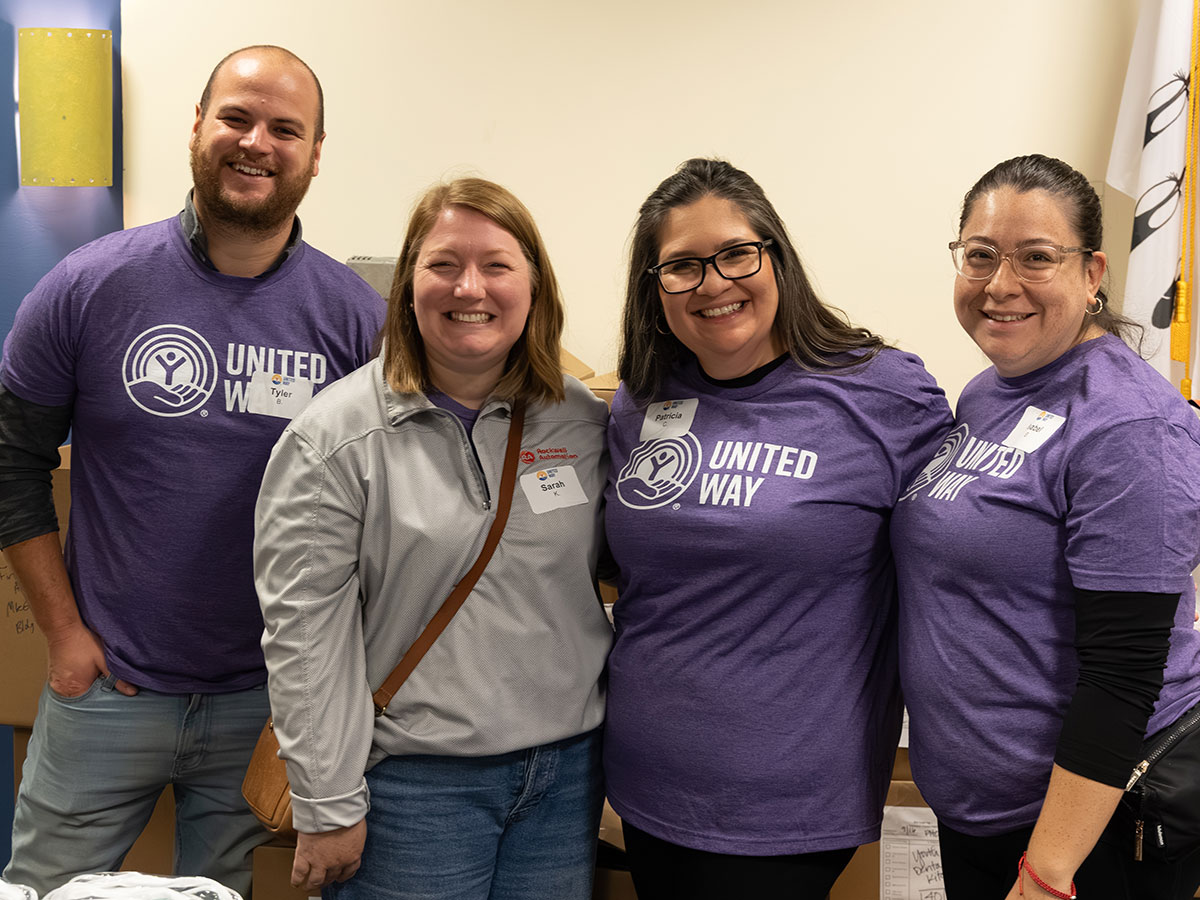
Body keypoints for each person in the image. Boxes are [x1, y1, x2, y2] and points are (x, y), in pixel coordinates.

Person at [0, 45, 385, 896]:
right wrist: (63, 634)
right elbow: (10, 461)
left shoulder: (358, 322)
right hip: (108, 692)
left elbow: (387, 516)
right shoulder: (87, 287)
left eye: (287, 128)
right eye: (237, 117)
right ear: (197, 130)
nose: (258, 142)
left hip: (270, 706)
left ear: (316, 153)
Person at [602, 158, 952, 899]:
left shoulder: (885, 392)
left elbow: (956, 562)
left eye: (736, 253)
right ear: (653, 289)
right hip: (643, 783)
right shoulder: (638, 401)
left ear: (777, 258)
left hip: (789, 800)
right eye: (682, 267)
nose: (713, 283)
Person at [253, 177, 612, 900]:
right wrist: (326, 802)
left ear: (535, 285)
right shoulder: (334, 440)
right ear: (409, 283)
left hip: (565, 780)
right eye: (444, 263)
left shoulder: (582, 420)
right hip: (413, 788)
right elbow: (303, 636)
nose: (469, 286)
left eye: (497, 265)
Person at [892, 154, 1200, 899]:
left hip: (1081, 833)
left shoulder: (1129, 427)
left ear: (1092, 273)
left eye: (1037, 258)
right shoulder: (989, 391)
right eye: (980, 256)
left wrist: (1048, 871)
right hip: (981, 814)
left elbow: (1124, 674)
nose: (1001, 285)